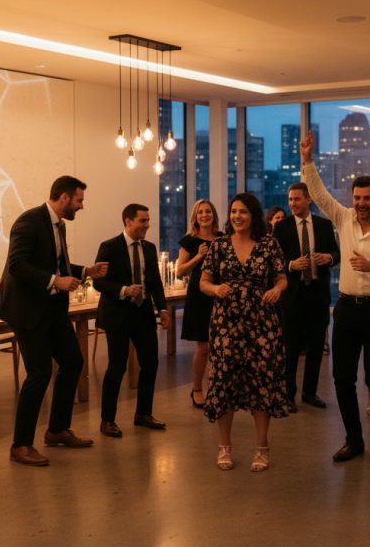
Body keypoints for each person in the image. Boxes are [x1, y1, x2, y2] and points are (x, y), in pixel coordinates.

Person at [300, 130, 370, 468]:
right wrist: (307, 161)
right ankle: (354, 440)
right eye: (357, 198)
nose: (360, 203)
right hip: (345, 308)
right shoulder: (343, 218)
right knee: (342, 379)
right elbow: (318, 194)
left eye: (367, 199)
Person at [0, 175, 108, 467]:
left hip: (52, 307)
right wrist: (55, 280)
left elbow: (56, 264)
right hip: (26, 310)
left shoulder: (58, 225)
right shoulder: (29, 221)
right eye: (79, 200)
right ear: (64, 197)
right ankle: (20, 445)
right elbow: (17, 265)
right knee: (39, 373)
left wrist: (86, 271)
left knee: (72, 361)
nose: (81, 206)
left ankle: (57, 429)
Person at [199, 193, 290, 471]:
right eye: (233, 212)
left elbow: (281, 278)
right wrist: (216, 289)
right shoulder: (219, 245)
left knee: (261, 382)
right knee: (224, 382)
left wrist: (276, 290)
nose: (237, 216)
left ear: (253, 216)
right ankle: (224, 447)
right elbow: (204, 282)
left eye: (243, 212)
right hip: (226, 323)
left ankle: (261, 448)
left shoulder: (268, 244)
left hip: (261, 322)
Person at [93, 203, 170, 437]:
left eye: (148, 220)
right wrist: (124, 289)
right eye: (142, 221)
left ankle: (143, 414)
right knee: (117, 367)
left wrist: (163, 309)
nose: (147, 225)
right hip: (118, 315)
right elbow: (98, 282)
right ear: (128, 222)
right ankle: (107, 420)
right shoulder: (109, 247)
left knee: (150, 364)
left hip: (143, 314)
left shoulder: (149, 248)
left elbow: (155, 282)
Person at [272, 182, 339, 413]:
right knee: (289, 349)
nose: (292, 204)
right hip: (292, 295)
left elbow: (337, 253)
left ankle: (309, 392)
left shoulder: (324, 225)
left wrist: (328, 258)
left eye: (297, 199)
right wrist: (290, 265)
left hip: (317, 295)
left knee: (315, 347)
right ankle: (288, 395)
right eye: (290, 199)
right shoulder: (281, 228)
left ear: (308, 199)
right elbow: (273, 261)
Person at [176, 199, 220, 409]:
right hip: (199, 295)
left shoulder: (222, 239)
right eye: (201, 212)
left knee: (219, 346)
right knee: (203, 346)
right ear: (195, 216)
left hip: (219, 293)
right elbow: (180, 271)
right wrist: (198, 256)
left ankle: (217, 388)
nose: (205, 215)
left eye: (208, 211)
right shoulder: (189, 241)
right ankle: (197, 389)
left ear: (213, 215)